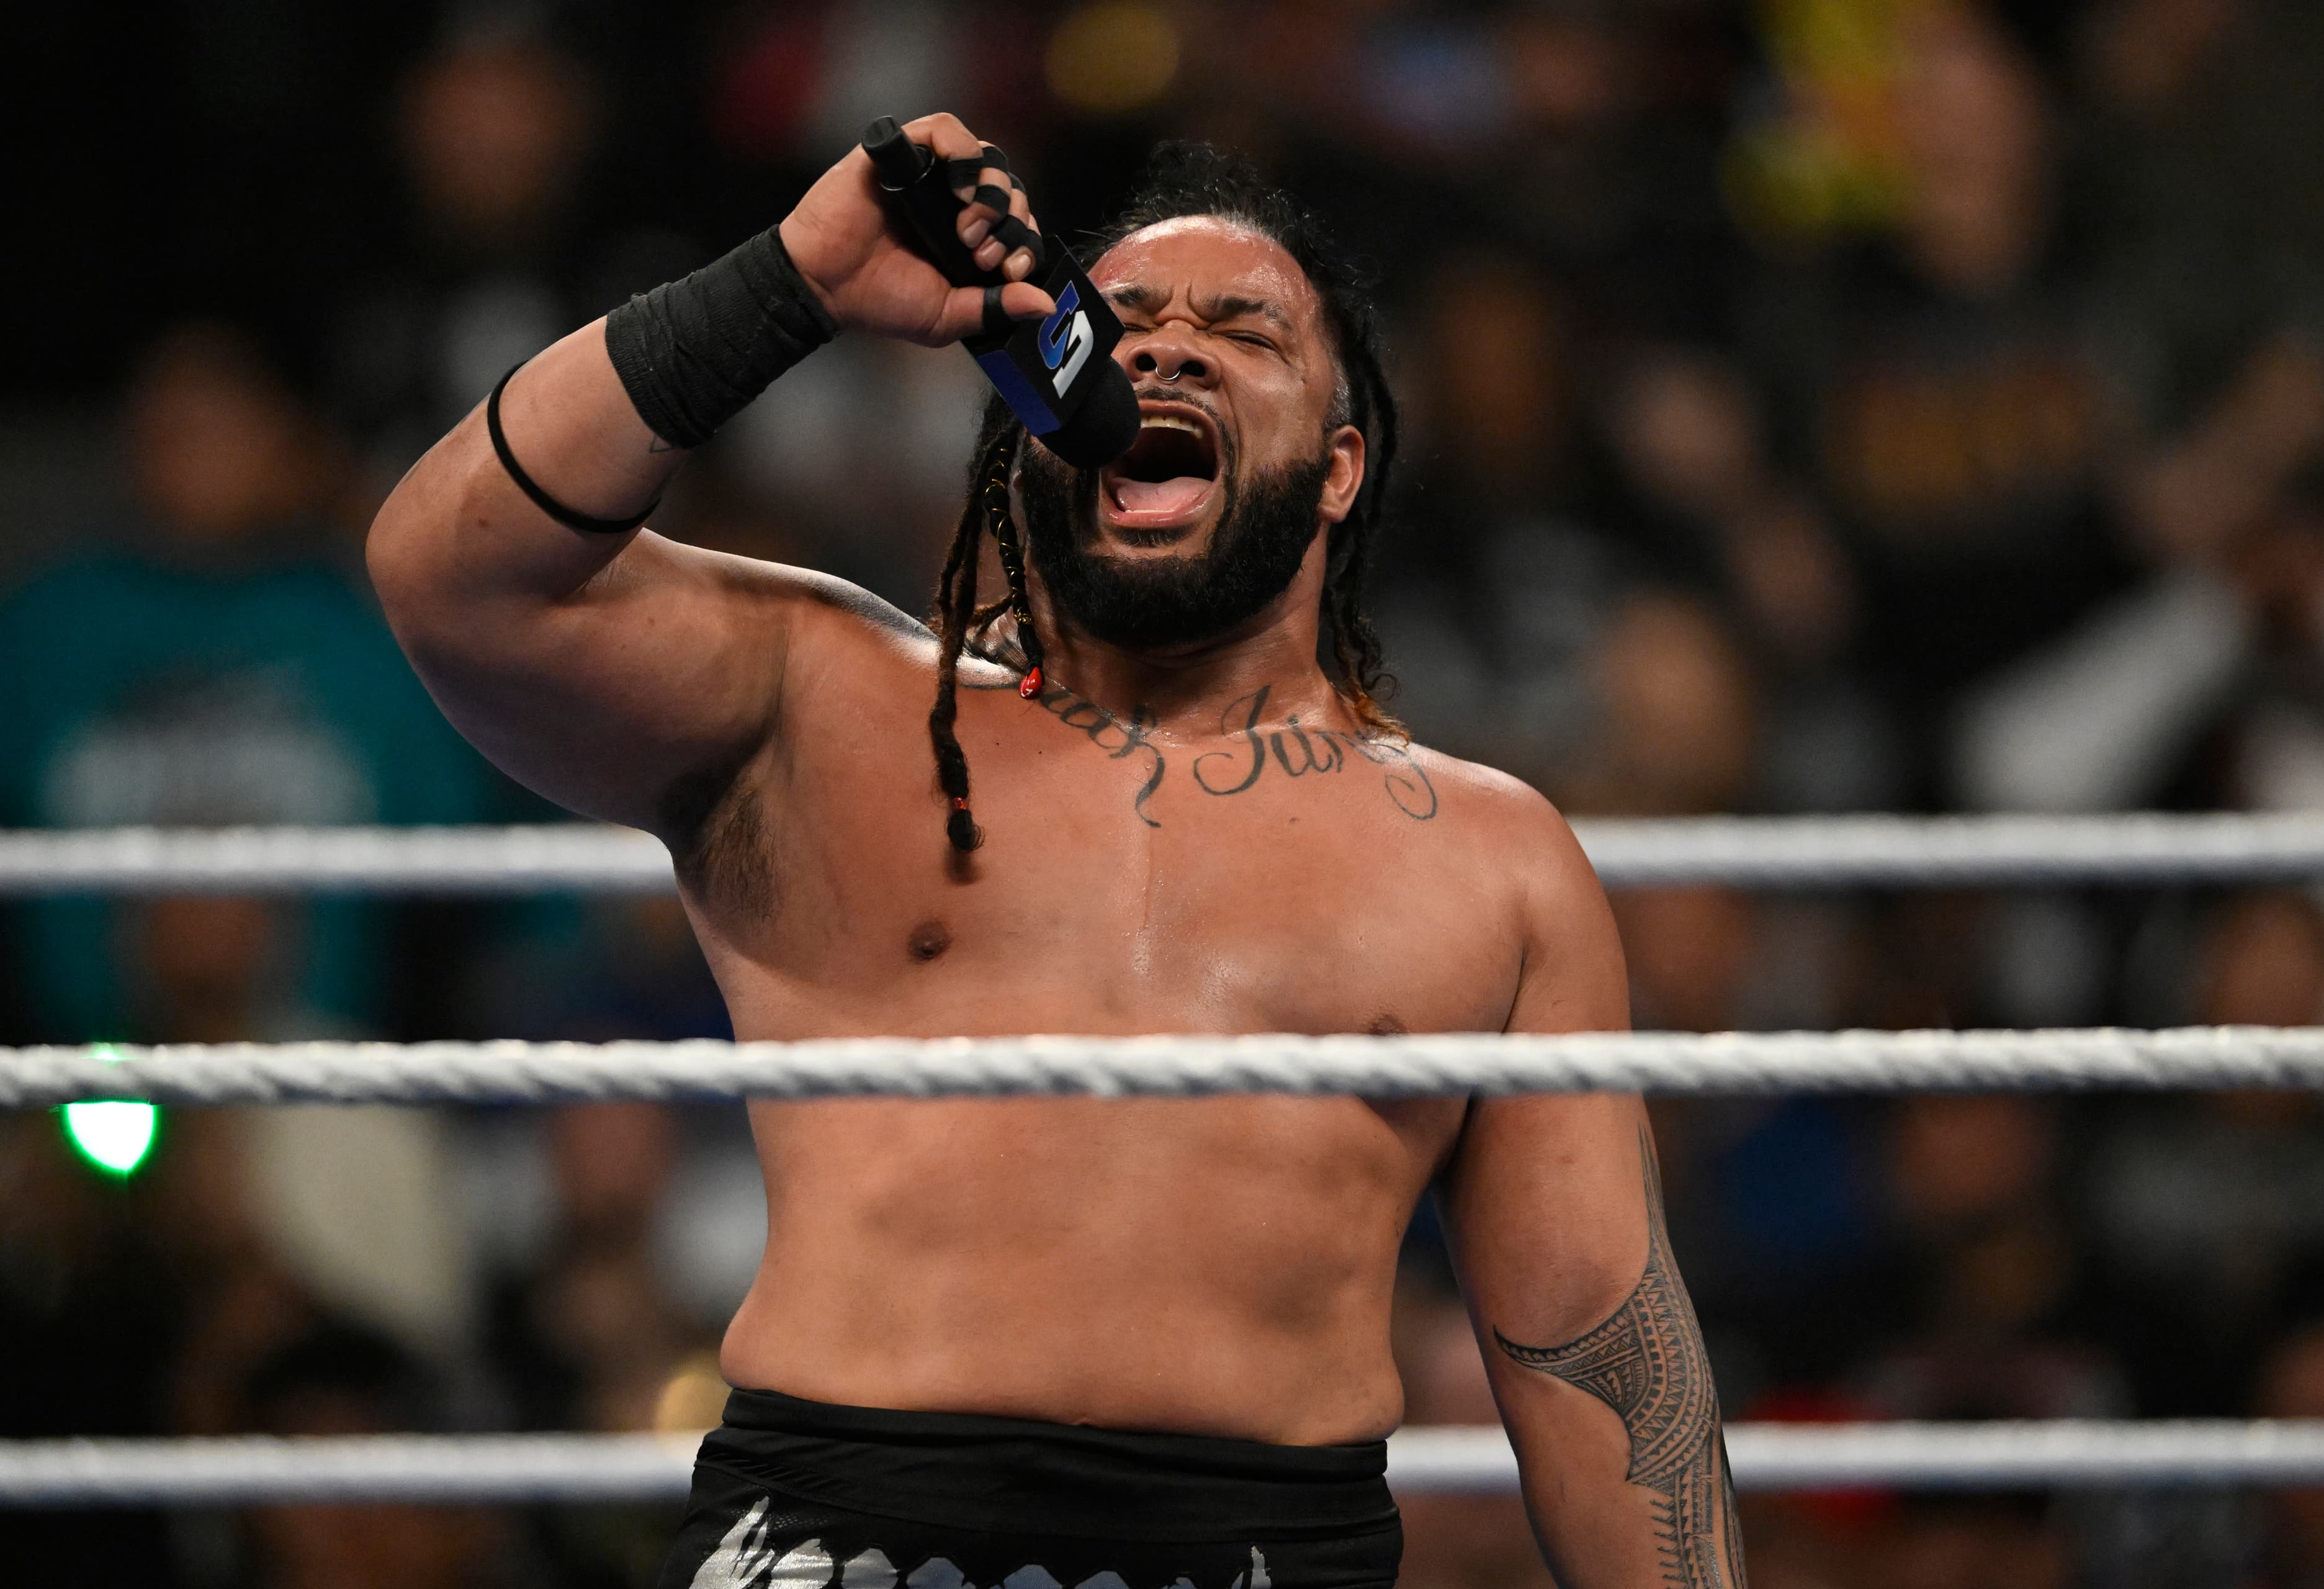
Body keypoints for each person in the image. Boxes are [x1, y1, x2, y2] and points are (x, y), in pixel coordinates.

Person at [369, 115, 1743, 1589]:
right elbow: (450, 573)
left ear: (1340, 468)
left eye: (1245, 331)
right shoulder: (821, 704)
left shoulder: (1490, 859)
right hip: (834, 1530)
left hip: (1259, 1547)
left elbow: (1606, 1367)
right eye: (1121, 325)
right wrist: (794, 286)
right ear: (1039, 407)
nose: (1165, 352)